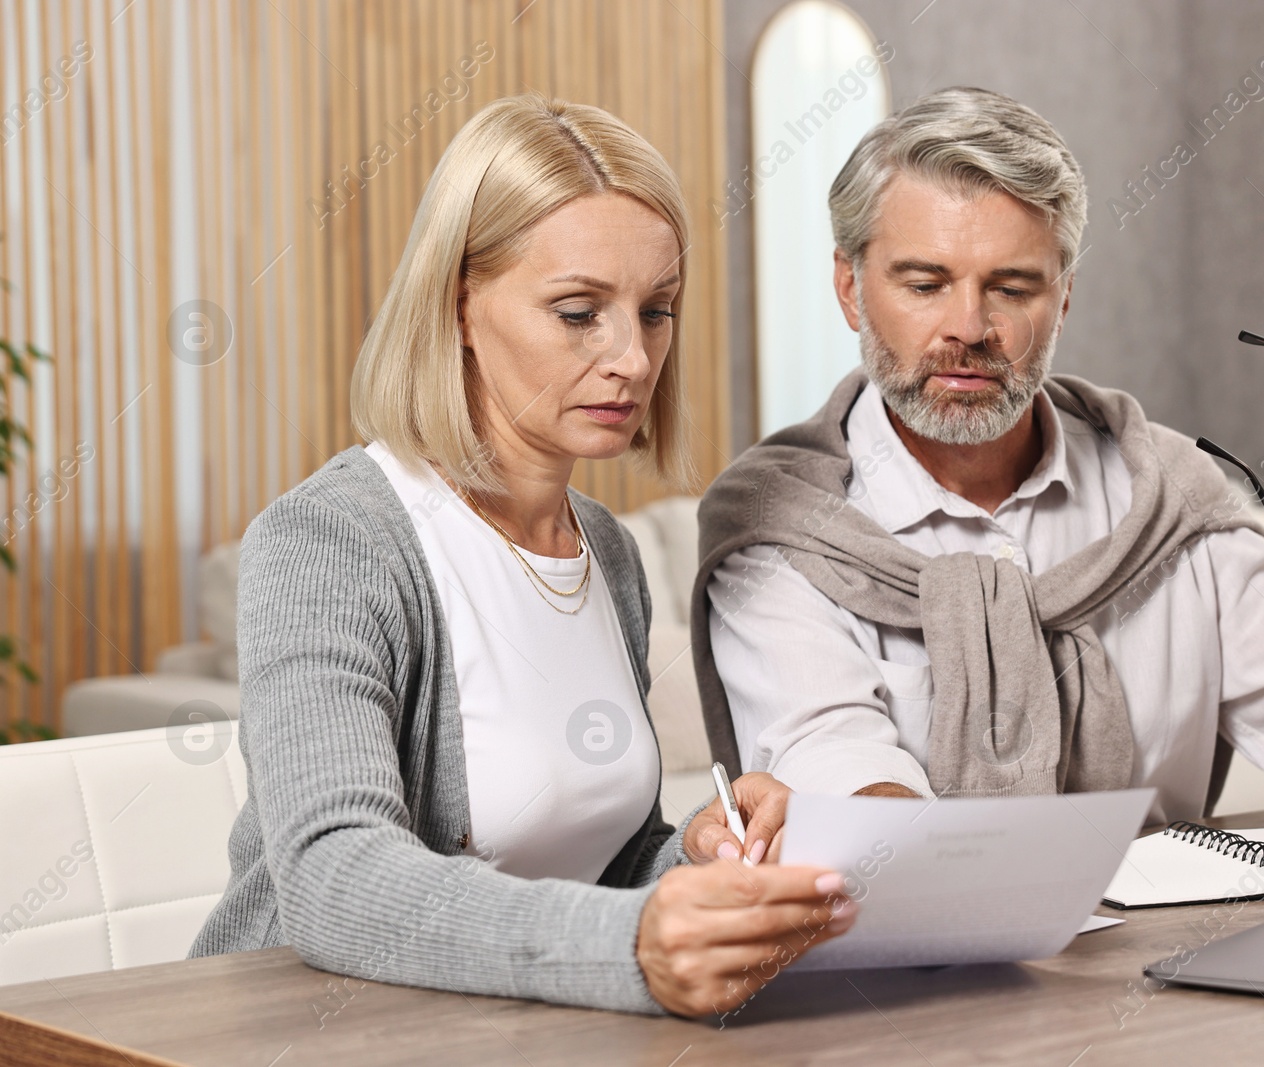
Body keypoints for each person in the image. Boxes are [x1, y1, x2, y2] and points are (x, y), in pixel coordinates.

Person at [190, 94, 854, 1017]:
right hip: (297, 1033)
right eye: (579, 312)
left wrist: (690, 856)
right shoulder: (335, 541)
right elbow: (332, 875)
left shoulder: (607, 553)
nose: (631, 357)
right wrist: (632, 945)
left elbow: (595, 861)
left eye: (656, 312)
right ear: (460, 305)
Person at [693, 87, 1264, 826]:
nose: (969, 325)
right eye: (926, 283)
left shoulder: (1175, 504)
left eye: (1012, 287)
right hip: (918, 963)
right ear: (851, 288)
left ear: (1063, 297)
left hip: (1178, 961)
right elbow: (848, 792)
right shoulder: (777, 531)